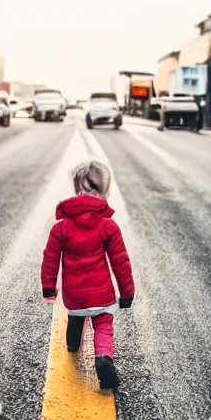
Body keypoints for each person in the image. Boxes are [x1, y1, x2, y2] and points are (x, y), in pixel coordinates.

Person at [41, 159, 135, 389]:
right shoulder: (108, 226)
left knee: (76, 315)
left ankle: (73, 344)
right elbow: (121, 263)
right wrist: (126, 293)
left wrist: (49, 288)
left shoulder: (61, 227)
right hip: (101, 294)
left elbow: (50, 261)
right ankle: (103, 359)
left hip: (75, 295)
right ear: (104, 191)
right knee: (103, 324)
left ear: (76, 189)